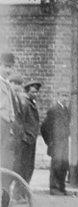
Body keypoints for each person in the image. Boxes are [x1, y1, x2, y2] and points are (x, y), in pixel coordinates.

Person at [0, 53, 21, 207]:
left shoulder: (7, 84)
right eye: (6, 66)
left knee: (6, 167)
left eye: (10, 67)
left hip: (7, 130)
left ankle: (4, 201)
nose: (8, 70)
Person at [41, 90, 71, 195]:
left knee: (63, 165)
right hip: (56, 144)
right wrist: (49, 141)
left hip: (64, 143)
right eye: (63, 95)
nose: (65, 98)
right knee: (56, 166)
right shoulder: (53, 110)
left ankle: (61, 187)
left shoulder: (66, 109)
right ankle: (54, 188)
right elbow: (44, 127)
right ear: (58, 96)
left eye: (67, 95)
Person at [18, 81, 40, 190]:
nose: (35, 94)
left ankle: (24, 192)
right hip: (26, 141)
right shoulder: (25, 103)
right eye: (33, 92)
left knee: (29, 167)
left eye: (36, 92)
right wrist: (24, 137)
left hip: (31, 140)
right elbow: (20, 122)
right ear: (27, 92)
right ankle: (19, 194)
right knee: (24, 168)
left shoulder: (32, 103)